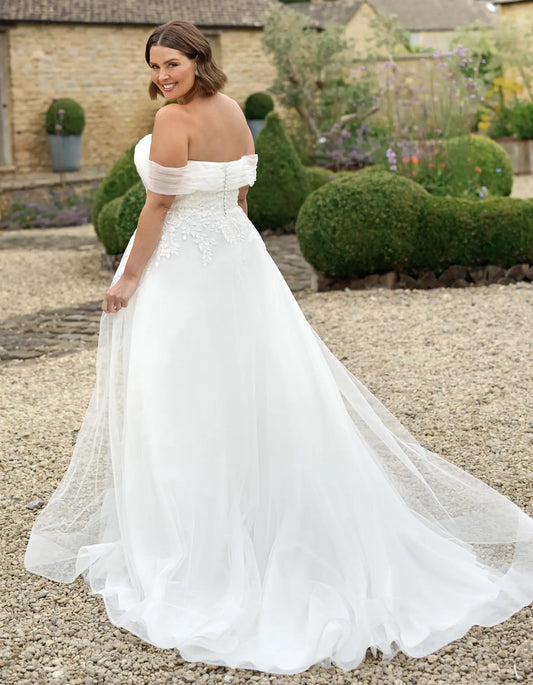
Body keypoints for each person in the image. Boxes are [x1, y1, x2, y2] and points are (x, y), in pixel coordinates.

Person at [25, 20, 533, 676]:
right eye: (154, 66)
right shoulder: (234, 110)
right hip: (237, 262)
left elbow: (157, 209)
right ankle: (246, 515)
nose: (161, 76)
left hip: (183, 273)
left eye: (172, 63)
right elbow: (240, 197)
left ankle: (201, 542)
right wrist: (232, 256)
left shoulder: (175, 120)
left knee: (183, 397)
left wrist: (127, 281)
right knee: (249, 388)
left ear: (197, 59)